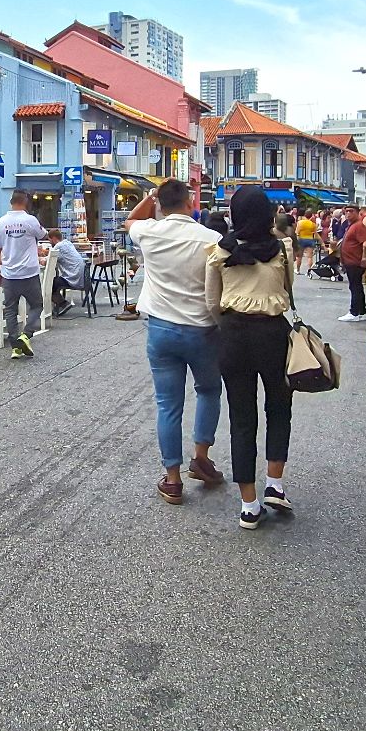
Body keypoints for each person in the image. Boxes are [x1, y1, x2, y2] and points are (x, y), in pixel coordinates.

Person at [124, 179, 226, 503]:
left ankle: (172, 479)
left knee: (168, 404)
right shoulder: (212, 239)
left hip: (162, 330)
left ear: (159, 205)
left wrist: (151, 196)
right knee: (209, 390)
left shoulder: (149, 233)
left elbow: (131, 220)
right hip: (202, 329)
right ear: (190, 203)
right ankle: (201, 456)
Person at [208, 187, 296, 530]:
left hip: (233, 334)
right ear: (268, 214)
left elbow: (211, 302)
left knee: (241, 416)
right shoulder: (283, 249)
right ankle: (274, 483)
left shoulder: (219, 250)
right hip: (273, 332)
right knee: (279, 405)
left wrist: (229, 324)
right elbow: (289, 293)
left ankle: (249, 504)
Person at [0, 191, 48, 360]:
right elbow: (43, 234)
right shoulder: (30, 220)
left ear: (11, 202)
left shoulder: (1, 222)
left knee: (10, 310)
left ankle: (15, 346)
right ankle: (26, 335)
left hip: (9, 273)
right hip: (29, 272)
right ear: (26, 202)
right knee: (37, 305)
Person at [338, 206, 366, 323]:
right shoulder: (351, 225)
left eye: (351, 211)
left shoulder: (358, 225)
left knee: (355, 287)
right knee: (356, 286)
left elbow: (365, 243)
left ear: (358, 213)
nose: (348, 214)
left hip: (355, 261)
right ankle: (362, 312)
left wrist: (364, 257)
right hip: (350, 261)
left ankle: (354, 312)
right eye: (346, 211)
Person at [48, 229, 86, 315]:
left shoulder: (58, 247)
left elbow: (50, 261)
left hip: (73, 278)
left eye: (49, 240)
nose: (50, 243)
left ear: (53, 238)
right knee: (55, 281)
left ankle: (63, 304)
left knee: (49, 283)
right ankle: (57, 306)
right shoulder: (68, 243)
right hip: (80, 277)